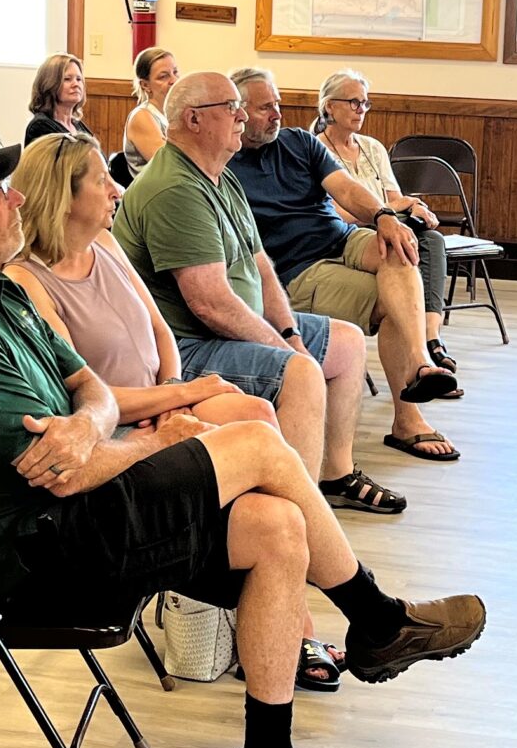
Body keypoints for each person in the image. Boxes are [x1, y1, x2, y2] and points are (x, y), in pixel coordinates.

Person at [0, 140, 487, 748]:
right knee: (255, 440)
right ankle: (375, 618)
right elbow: (60, 476)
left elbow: (90, 389)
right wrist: (145, 440)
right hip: (38, 557)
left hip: (76, 510)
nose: (15, 197)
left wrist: (90, 423)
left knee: (278, 527)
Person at [5, 135, 345, 692]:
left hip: (157, 397)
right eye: (100, 181)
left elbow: (160, 329)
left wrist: (173, 386)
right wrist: (174, 401)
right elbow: (85, 397)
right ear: (63, 197)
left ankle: (264, 592)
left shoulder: (107, 243)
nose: (116, 189)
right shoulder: (27, 281)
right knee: (252, 441)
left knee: (258, 411)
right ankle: (281, 605)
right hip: (113, 425)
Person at [113, 71, 405, 515]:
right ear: (193, 120)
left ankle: (335, 475)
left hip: (227, 328)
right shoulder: (174, 188)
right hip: (187, 347)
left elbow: (261, 267)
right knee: (301, 373)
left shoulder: (218, 173)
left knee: (345, 342)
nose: (242, 116)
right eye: (231, 107)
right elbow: (210, 305)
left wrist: (287, 331)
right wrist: (286, 351)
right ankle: (299, 513)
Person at [232, 67, 460, 464]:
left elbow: (347, 189)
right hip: (298, 268)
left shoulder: (299, 142)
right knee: (395, 305)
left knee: (399, 245)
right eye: (266, 107)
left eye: (278, 104)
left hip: (340, 237)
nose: (277, 114)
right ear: (238, 111)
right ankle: (407, 416)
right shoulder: (226, 161)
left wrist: (384, 216)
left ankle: (420, 364)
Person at [312, 67, 455, 374]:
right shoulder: (314, 150)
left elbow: (396, 201)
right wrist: (397, 206)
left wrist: (412, 207)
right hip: (349, 234)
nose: (360, 109)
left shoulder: (373, 148)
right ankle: (426, 352)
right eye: (353, 102)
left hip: (387, 226)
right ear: (329, 107)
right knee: (411, 247)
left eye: (365, 102)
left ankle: (431, 339)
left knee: (430, 238)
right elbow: (334, 213)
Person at [124, 46, 179, 169]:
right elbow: (168, 165)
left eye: (175, 72)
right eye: (164, 76)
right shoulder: (141, 116)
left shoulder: (177, 114)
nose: (174, 80)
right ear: (145, 85)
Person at [25, 52, 92, 145]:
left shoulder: (77, 125)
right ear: (49, 84)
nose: (76, 84)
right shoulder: (40, 126)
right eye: (67, 79)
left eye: (79, 79)